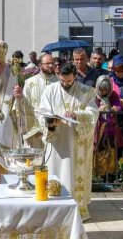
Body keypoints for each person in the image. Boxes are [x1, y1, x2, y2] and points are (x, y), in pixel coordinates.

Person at [37, 62, 99, 219]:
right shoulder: (50, 90)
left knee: (73, 174)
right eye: (62, 81)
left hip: (77, 142)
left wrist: (77, 115)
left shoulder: (87, 91)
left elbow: (93, 113)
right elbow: (42, 112)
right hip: (57, 142)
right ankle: (55, 210)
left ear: (75, 77)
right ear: (58, 76)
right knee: (55, 172)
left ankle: (78, 210)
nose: (65, 84)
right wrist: (50, 121)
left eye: (69, 81)